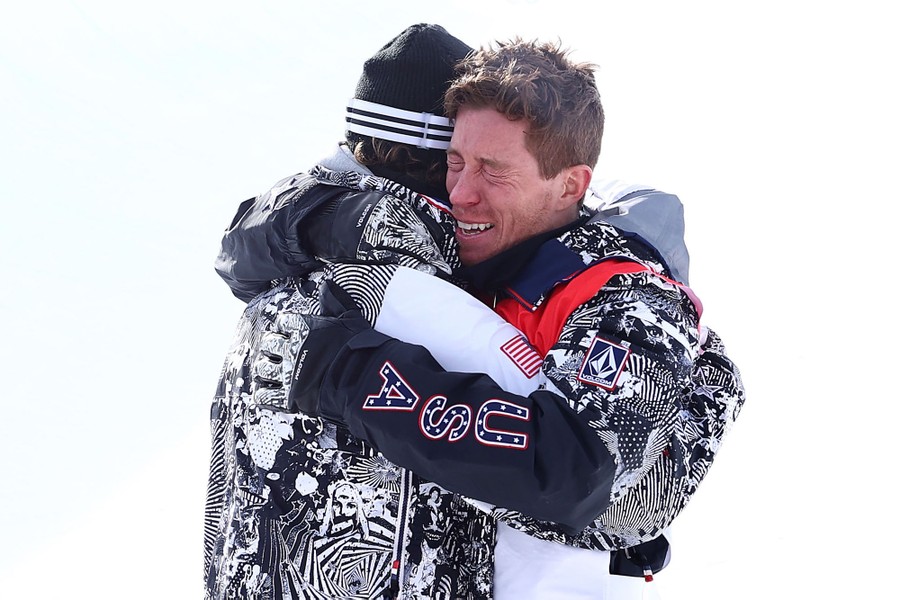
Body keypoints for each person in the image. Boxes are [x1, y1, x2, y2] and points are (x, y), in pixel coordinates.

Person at [207, 25, 744, 600]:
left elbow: (572, 467)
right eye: (453, 162)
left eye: (493, 169)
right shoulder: (455, 265)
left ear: (570, 186)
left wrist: (349, 376)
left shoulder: (630, 300)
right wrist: (322, 220)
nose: (460, 192)